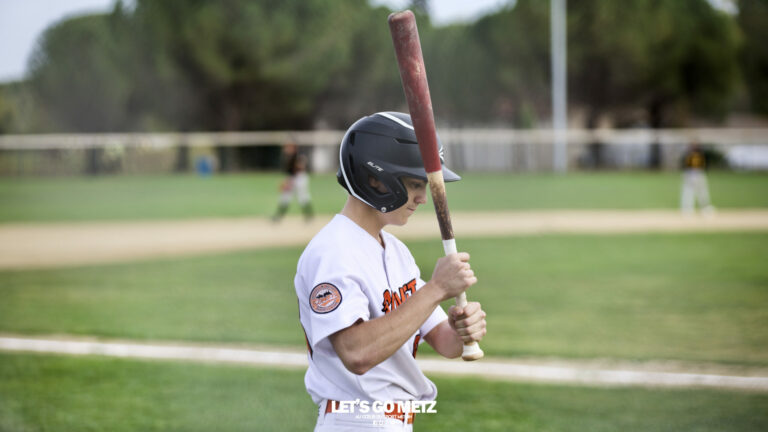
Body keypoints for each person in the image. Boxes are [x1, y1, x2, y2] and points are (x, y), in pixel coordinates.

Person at [294, 112, 487, 431]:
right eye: (414, 184)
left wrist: (462, 330)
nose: (423, 198)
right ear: (376, 179)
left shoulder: (396, 252)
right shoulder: (333, 252)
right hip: (356, 421)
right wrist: (436, 288)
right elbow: (357, 353)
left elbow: (445, 342)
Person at [272, 141, 314, 222]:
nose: (286, 149)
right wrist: (287, 180)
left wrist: (288, 181)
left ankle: (309, 216)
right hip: (293, 178)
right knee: (285, 197)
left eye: (288, 147)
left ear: (294, 148)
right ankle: (278, 217)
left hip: (300, 178)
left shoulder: (298, 156)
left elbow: (300, 168)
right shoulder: (287, 157)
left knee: (303, 197)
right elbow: (290, 172)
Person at [680, 141, 715, 215]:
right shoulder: (695, 154)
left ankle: (692, 209)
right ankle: (690, 209)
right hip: (694, 173)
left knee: (698, 192)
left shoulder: (693, 154)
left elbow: (686, 165)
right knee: (693, 192)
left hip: (695, 173)